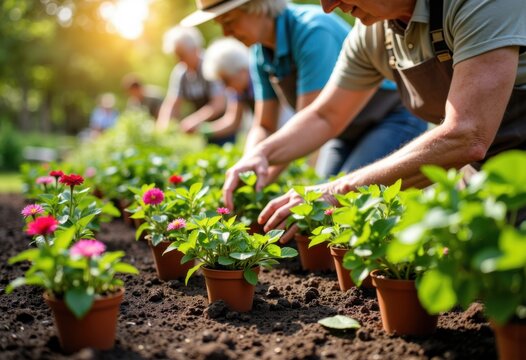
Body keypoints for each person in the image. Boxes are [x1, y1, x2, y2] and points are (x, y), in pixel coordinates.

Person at [219, 0, 526, 243]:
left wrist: (338, 189)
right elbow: (325, 115)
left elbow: (466, 134)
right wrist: (261, 154)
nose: (327, 6)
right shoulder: (373, 33)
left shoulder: (477, 3)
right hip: (485, 169)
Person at [181, 0, 427, 183]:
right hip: (341, 131)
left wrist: (263, 174)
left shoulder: (311, 31)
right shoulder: (259, 53)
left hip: (390, 118)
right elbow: (264, 124)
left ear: (257, 7)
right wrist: (250, 165)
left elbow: (310, 117)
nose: (226, 33)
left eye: (229, 21)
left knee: (345, 200)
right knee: (321, 195)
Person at [156, 26, 230, 145]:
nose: (179, 60)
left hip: (225, 126)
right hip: (205, 130)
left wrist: (194, 120)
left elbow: (219, 103)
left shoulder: (210, 66)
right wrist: (163, 127)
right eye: (176, 56)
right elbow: (172, 104)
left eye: (182, 55)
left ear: (195, 49)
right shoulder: (180, 73)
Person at [201, 38, 253, 142]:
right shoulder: (238, 91)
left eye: (227, 80)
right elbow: (232, 121)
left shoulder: (260, 83)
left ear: (241, 71)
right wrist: (206, 130)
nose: (226, 87)